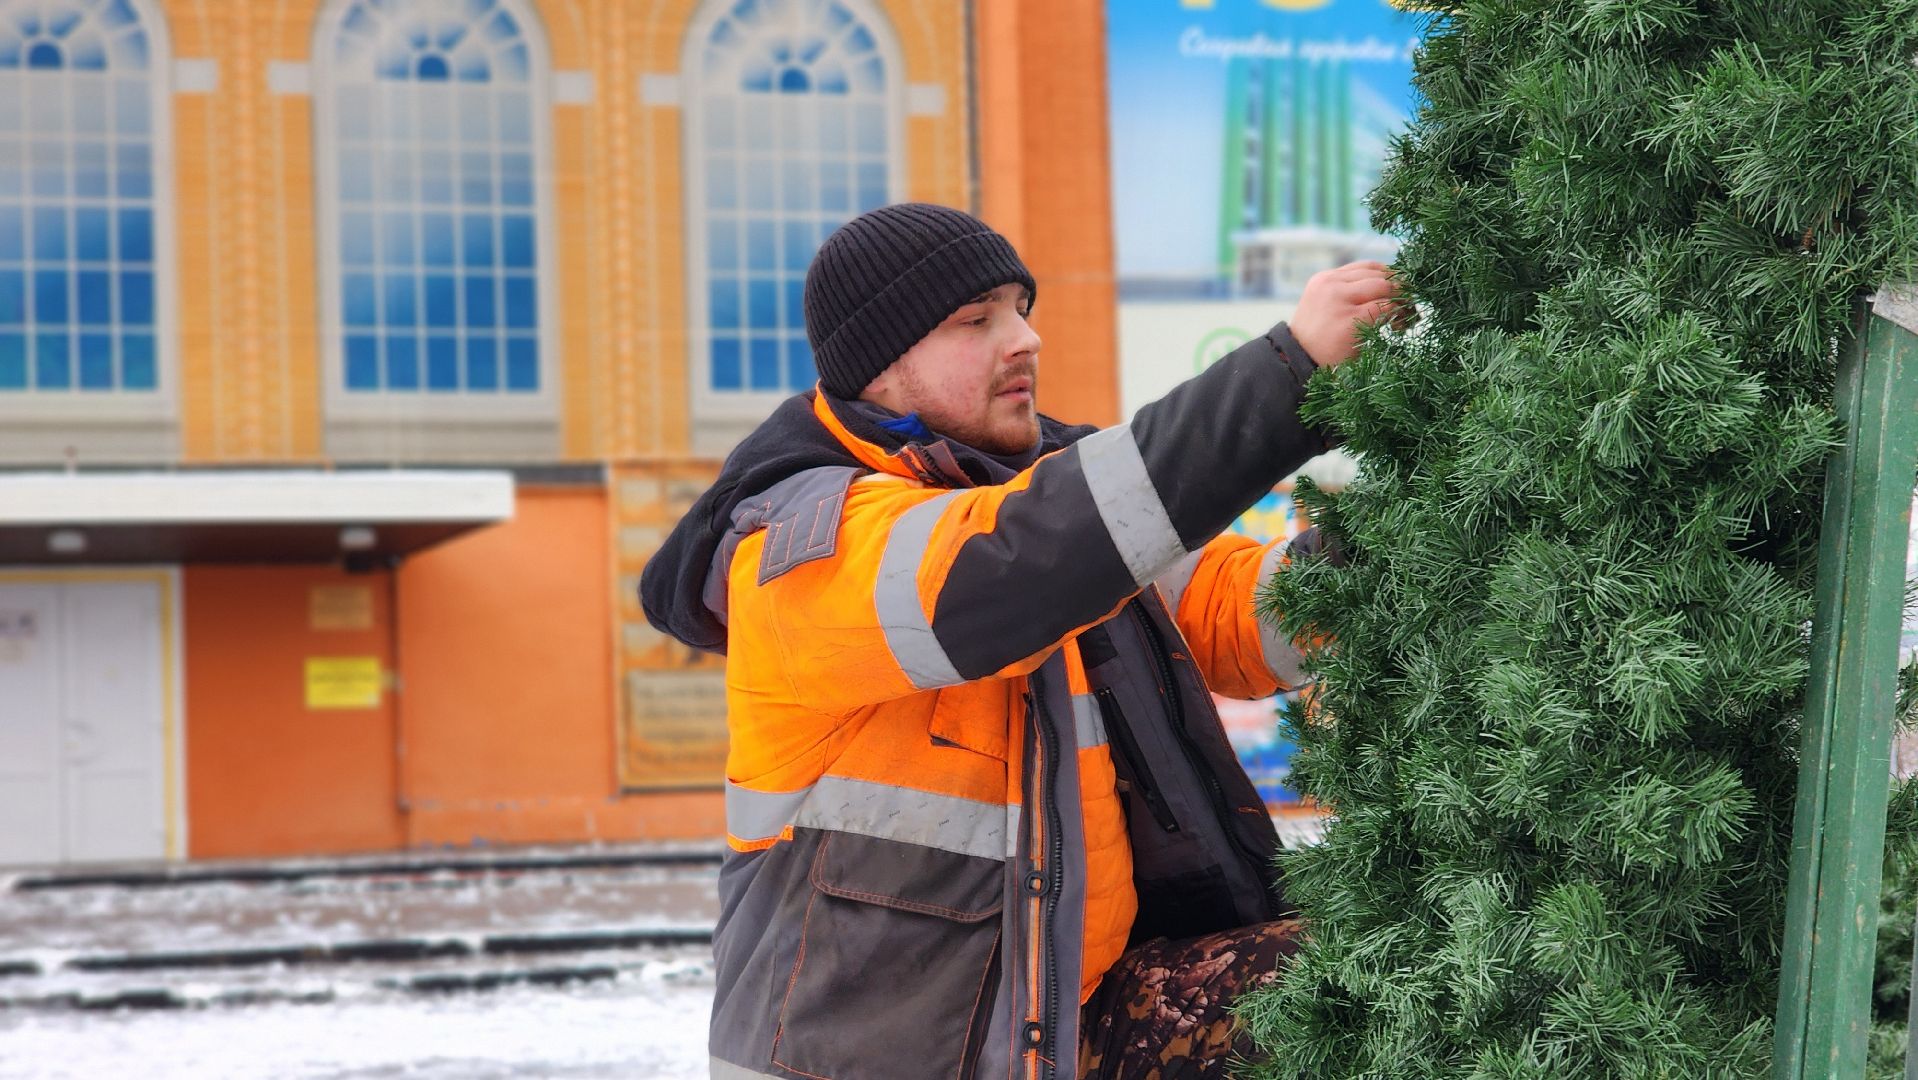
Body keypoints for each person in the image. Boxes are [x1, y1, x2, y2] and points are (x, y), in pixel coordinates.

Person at [641, 202, 1397, 1080]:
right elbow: (1013, 567)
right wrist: (1287, 372)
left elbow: (1238, 615)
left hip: (1061, 1020)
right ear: (880, 367)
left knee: (1373, 973)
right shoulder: (801, 550)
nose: (1025, 340)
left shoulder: (1038, 497)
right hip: (903, 1062)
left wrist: (1421, 529)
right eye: (978, 320)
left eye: (1020, 310)